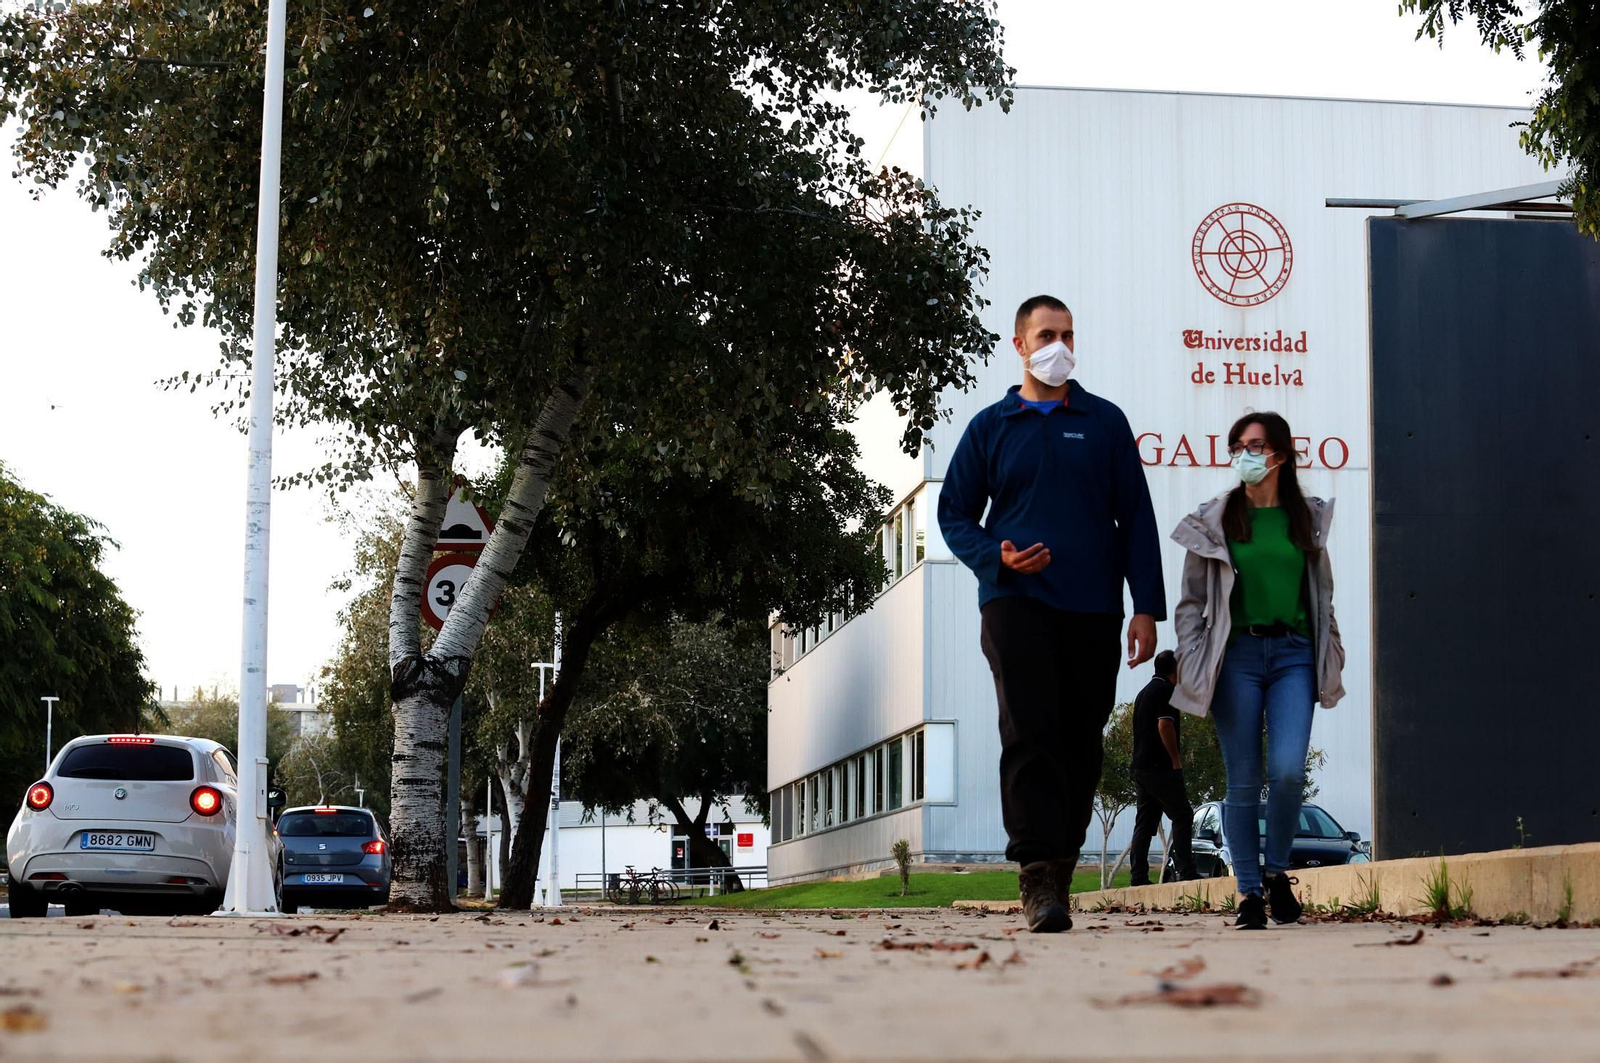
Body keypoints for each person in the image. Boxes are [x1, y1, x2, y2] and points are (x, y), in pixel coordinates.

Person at [938, 294, 1165, 933]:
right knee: (1029, 732)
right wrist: (997, 557)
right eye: (1046, 335)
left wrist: (1146, 607)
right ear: (1020, 344)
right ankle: (1036, 873)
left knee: (1081, 739)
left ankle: (1062, 864)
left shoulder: (1104, 422)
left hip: (1093, 605)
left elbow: (1136, 518)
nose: (1058, 346)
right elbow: (953, 513)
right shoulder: (990, 426)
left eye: (1067, 334)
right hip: (1014, 604)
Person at [1171, 412, 1345, 929]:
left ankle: (1275, 874)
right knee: (1243, 780)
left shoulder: (1306, 519)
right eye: (1238, 447)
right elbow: (1191, 603)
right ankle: (1249, 892)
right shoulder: (1215, 521)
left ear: (1280, 455)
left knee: (1288, 771)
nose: (1244, 456)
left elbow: (1322, 596)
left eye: (1254, 446)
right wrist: (1192, 657)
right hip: (1236, 658)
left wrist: (1332, 648)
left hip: (1294, 654)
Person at [1128, 650, 1198, 885]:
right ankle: (1186, 871)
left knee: (1145, 822)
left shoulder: (1143, 693)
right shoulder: (1166, 691)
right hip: (1159, 766)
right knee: (1182, 815)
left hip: (1141, 766)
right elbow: (1164, 725)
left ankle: (1138, 876)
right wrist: (1175, 759)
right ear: (1175, 669)